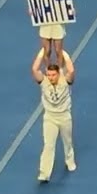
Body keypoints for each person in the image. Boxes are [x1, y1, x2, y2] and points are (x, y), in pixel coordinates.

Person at [32, 48, 76, 183]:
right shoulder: (44, 82)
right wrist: (42, 52)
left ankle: (69, 160)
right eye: (49, 75)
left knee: (67, 141)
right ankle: (44, 173)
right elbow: (34, 69)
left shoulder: (65, 81)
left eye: (53, 75)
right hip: (50, 117)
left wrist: (64, 54)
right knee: (48, 145)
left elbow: (71, 71)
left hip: (64, 116)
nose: (50, 77)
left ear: (59, 74)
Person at [34, 0, 69, 65]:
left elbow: (68, 6)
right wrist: (33, 11)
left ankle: (60, 70)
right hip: (46, 25)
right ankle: (48, 69)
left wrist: (71, 12)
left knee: (58, 50)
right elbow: (36, 7)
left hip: (57, 25)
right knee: (47, 50)